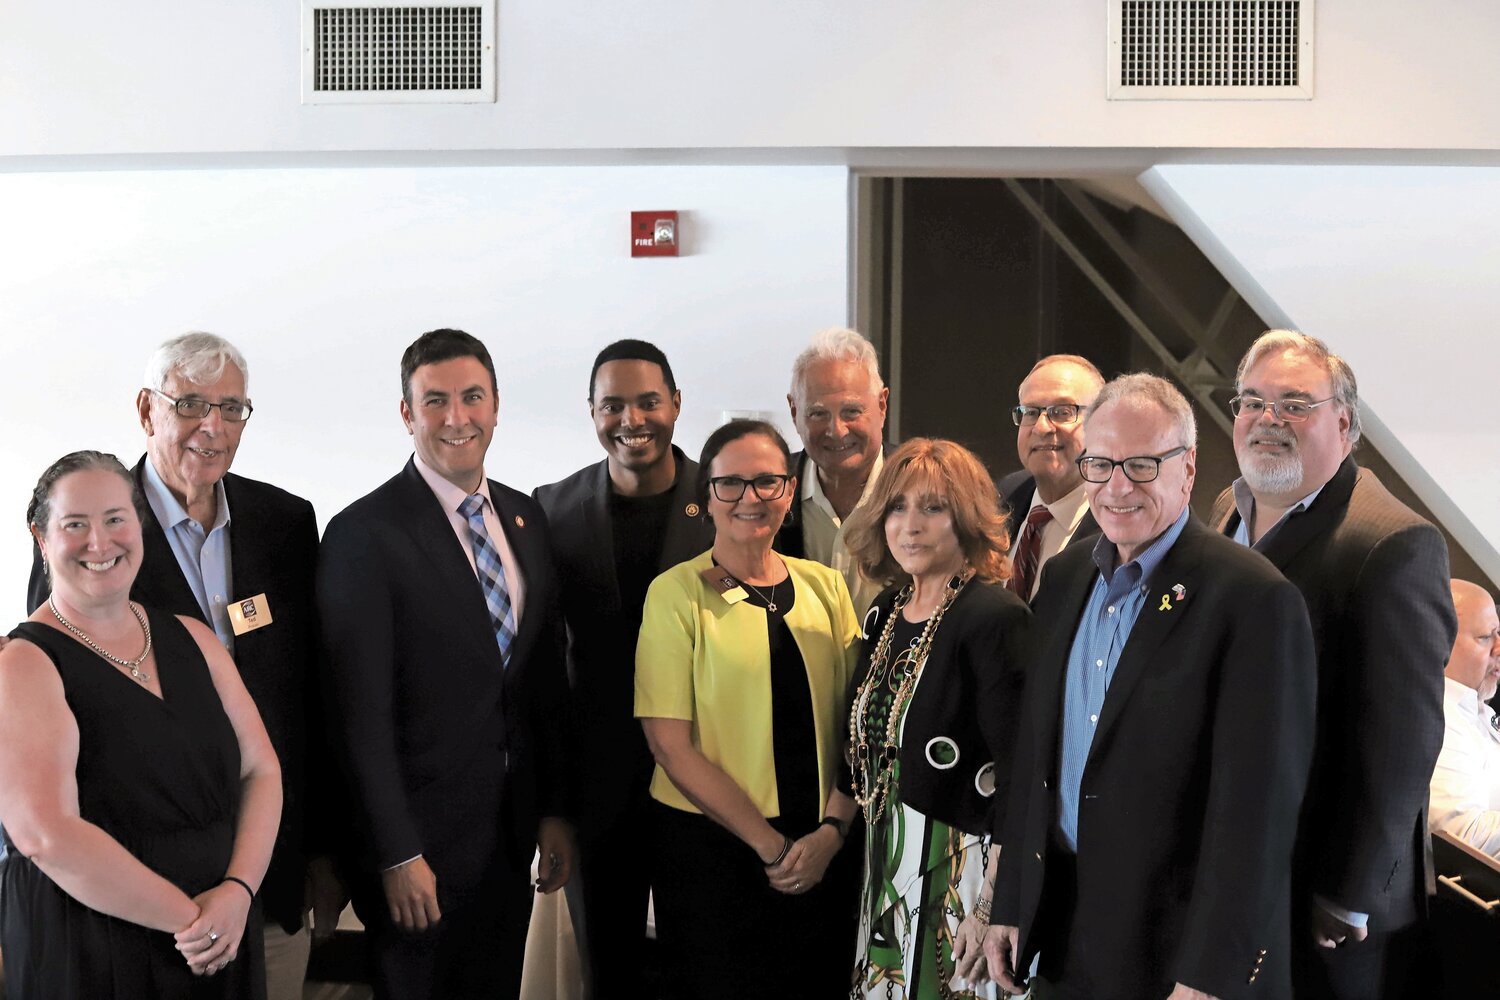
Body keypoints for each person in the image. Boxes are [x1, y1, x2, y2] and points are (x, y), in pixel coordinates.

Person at [23, 332, 338, 1000]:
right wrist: (179, 909)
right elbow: (56, 701)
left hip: (268, 878)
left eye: (232, 409)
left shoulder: (284, 522)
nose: (212, 427)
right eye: (191, 404)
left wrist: (321, 854)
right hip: (126, 900)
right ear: (147, 410)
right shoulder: (95, 532)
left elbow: (310, 703)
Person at [984, 373, 1317, 1000]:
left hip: (1177, 957)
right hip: (1063, 934)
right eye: (1101, 464)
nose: (1116, 487)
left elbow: (1258, 811)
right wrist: (1011, 901)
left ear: (1187, 469)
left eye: (1140, 465)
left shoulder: (1253, 600)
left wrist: (1211, 971)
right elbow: (1034, 758)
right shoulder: (1062, 580)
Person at [317, 328, 574, 1000]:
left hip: (507, 837)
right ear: (407, 413)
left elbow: (538, 679)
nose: (456, 417)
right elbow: (357, 715)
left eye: (471, 397)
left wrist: (551, 812)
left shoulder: (524, 518)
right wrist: (398, 853)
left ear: (495, 406)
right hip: (419, 851)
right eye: (435, 401)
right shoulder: (362, 535)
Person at [1209, 329, 1456, 999]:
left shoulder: (1392, 543)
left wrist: (1349, 894)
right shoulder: (1228, 508)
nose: (1268, 420)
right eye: (1252, 402)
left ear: (1344, 422)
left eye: (1294, 404)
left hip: (1323, 896)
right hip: (1235, 871)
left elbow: (1403, 743)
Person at [0, 450, 282, 998]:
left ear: (140, 524)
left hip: (220, 929)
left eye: (114, 519)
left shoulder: (194, 637)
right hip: (93, 943)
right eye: (74, 525)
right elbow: (44, 834)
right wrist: (190, 920)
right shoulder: (23, 662)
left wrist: (238, 891)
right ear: (41, 538)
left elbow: (262, 770)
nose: (99, 543)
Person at [635, 419, 863, 1000]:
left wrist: (834, 831)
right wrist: (770, 845)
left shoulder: (826, 587)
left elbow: (857, 722)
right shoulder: (675, 593)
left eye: (767, 482)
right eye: (730, 484)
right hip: (714, 851)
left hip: (820, 844)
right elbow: (668, 746)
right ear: (706, 497)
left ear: (789, 492)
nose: (750, 499)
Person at [533, 339, 713, 998]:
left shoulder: (727, 501)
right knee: (607, 970)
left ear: (675, 404)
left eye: (647, 401)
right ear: (591, 411)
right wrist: (551, 807)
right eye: (613, 405)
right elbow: (543, 672)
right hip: (596, 787)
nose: (632, 419)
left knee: (704, 960)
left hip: (708, 778)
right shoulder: (549, 510)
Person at [842, 438, 1031, 999]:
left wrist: (990, 908)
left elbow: (1022, 782)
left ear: (967, 519)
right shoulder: (885, 611)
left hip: (961, 877)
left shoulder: (995, 617)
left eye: (932, 507)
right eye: (897, 507)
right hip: (885, 871)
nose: (910, 526)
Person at [780, 327, 890, 617]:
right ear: (794, 412)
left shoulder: (924, 488)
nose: (837, 431)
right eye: (818, 414)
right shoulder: (766, 495)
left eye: (852, 411)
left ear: (881, 404)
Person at [996, 354, 1104, 600]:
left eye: (1062, 411)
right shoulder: (1002, 496)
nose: (1042, 427)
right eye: (1031, 412)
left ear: (1101, 421)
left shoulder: (1117, 521)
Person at [1429, 580, 1500, 857]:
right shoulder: (1440, 716)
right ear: (1440, 640)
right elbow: (1462, 833)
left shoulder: (1480, 710)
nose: (1498, 648)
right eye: (1486, 637)